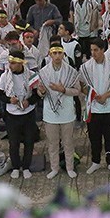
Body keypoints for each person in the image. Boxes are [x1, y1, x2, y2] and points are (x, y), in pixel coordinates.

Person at [80, 39, 110, 175]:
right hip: (93, 109)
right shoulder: (86, 67)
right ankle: (95, 162)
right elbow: (82, 87)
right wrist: (92, 95)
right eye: (91, 50)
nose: (93, 53)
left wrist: (105, 96)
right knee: (94, 138)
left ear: (102, 49)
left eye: (96, 50)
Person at [38, 43, 80, 179]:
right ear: (50, 55)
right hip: (50, 113)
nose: (57, 56)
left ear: (63, 54)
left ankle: (69, 167)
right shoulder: (43, 72)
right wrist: (41, 92)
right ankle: (54, 168)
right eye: (54, 53)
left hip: (67, 112)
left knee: (68, 142)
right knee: (53, 143)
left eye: (59, 53)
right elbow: (40, 92)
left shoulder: (71, 72)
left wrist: (63, 90)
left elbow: (77, 91)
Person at [0, 49, 39, 178]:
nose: (10, 65)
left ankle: (26, 166)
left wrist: (29, 101)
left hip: (28, 114)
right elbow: (0, 94)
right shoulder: (5, 76)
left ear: (21, 63)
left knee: (29, 141)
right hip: (12, 115)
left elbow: (37, 94)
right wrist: (10, 100)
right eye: (10, 62)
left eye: (14, 63)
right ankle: (15, 166)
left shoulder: (31, 75)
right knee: (13, 143)